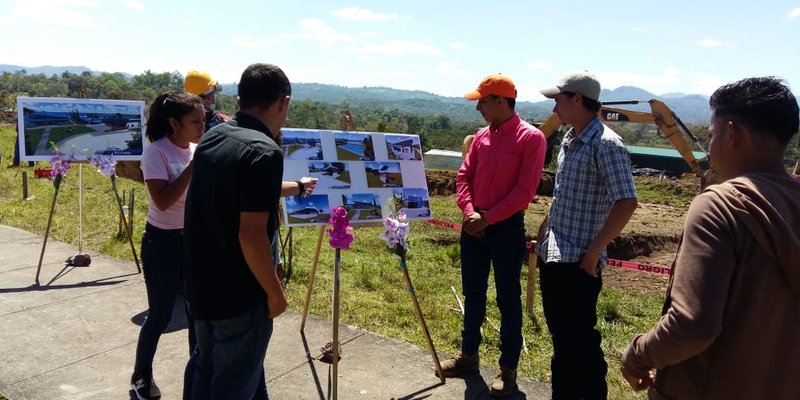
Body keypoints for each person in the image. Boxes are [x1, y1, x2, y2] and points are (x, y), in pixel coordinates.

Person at [621, 77, 800, 399]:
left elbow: (693, 325)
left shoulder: (721, 204)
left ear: (732, 133)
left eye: (712, 134)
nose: (710, 147)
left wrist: (637, 355)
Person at [183, 63, 291, 399]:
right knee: (232, 385)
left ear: (241, 98)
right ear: (283, 102)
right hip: (240, 299)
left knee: (206, 374)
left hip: (202, 289)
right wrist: (274, 293)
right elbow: (251, 234)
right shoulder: (264, 152)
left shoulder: (213, 136)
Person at [437, 73, 546, 398]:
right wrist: (471, 212)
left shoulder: (531, 138)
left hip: (505, 228)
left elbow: (524, 191)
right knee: (473, 293)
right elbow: (463, 176)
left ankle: (507, 371)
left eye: (482, 101)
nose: (478, 108)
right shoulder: (482, 137)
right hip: (474, 225)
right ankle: (469, 356)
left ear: (501, 101)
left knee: (508, 300)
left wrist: (488, 218)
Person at [536, 71, 638, 400]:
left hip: (580, 262)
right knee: (561, 341)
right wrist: (546, 223)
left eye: (559, 98)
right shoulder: (569, 139)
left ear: (577, 99)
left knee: (581, 343)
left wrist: (595, 251)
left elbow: (627, 201)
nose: (555, 106)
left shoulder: (606, 144)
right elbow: (566, 193)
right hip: (554, 253)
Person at [130, 90, 205, 400]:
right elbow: (161, 202)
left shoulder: (197, 150)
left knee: (195, 314)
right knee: (160, 315)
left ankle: (197, 375)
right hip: (161, 243)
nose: (202, 126)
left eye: (204, 120)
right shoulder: (155, 153)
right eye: (195, 121)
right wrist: (194, 166)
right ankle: (141, 377)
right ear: (174, 124)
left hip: (193, 242)